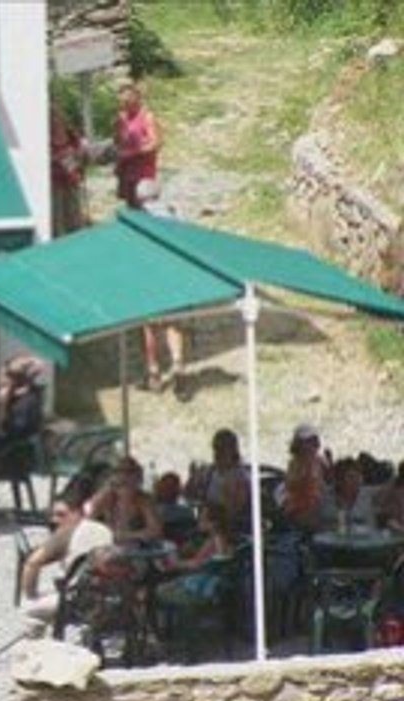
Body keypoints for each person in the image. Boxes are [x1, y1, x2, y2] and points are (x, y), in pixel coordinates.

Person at [20, 483, 112, 630]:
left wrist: (31, 596)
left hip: (75, 600)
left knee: (27, 611)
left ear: (78, 512)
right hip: (108, 598)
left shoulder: (68, 532)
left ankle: (36, 649)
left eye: (61, 514)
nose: (55, 520)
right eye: (53, 515)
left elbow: (32, 563)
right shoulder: (104, 530)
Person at [135, 179, 186, 397]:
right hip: (173, 277)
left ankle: (153, 371)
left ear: (140, 199)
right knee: (173, 324)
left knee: (148, 327)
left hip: (150, 278)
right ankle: (177, 363)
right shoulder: (174, 215)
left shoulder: (139, 219)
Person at [156, 503, 234, 607]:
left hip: (203, 586)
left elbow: (200, 563)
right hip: (204, 580)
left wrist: (173, 564)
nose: (198, 523)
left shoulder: (216, 539)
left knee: (160, 590)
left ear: (214, 523)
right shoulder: (216, 538)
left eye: (202, 519)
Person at [86, 456, 163, 543]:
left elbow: (155, 530)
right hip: (107, 547)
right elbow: (89, 520)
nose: (125, 477)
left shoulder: (144, 500)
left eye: (130, 473)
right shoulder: (107, 497)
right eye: (120, 472)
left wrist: (129, 536)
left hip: (136, 549)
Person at [186, 429, 250, 530]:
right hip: (204, 519)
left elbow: (237, 510)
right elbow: (189, 495)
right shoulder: (209, 471)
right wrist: (192, 478)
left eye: (223, 448)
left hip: (226, 526)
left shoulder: (241, 476)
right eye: (217, 448)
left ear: (233, 449)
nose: (219, 453)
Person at [114, 82, 160, 209]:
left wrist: (133, 153)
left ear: (137, 98)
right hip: (127, 170)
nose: (125, 101)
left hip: (143, 171)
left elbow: (155, 143)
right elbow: (118, 141)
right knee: (131, 206)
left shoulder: (147, 116)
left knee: (146, 206)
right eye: (122, 99)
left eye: (128, 98)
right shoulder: (122, 117)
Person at [277, 423, 330, 532]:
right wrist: (305, 473)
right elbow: (290, 485)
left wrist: (330, 463)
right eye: (305, 442)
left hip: (319, 505)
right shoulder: (295, 463)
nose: (309, 446)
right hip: (299, 507)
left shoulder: (320, 460)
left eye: (312, 441)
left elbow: (329, 479)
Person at [50, 104, 89, 234]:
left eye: (58, 116)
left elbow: (81, 155)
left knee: (74, 217)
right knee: (57, 220)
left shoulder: (71, 134)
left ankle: (78, 240)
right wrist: (55, 158)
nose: (56, 119)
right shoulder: (44, 136)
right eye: (53, 116)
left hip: (72, 179)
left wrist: (78, 155)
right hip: (54, 183)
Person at [321, 457, 375, 530]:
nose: (356, 481)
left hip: (364, 539)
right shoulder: (324, 496)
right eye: (351, 477)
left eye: (358, 477)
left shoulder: (368, 495)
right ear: (339, 479)